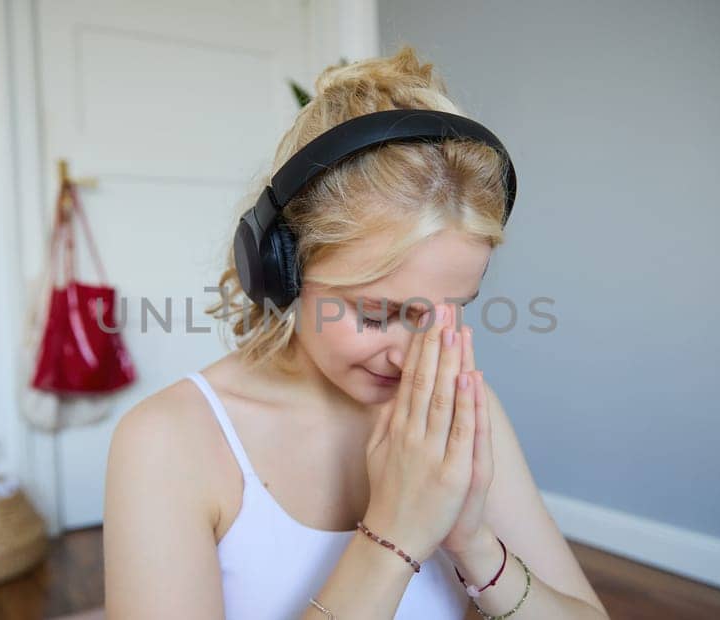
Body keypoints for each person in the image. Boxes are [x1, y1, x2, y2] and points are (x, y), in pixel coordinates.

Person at [103, 45, 609, 619]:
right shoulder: (169, 440)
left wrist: (472, 543)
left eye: (446, 312)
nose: (410, 355)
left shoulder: (461, 412)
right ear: (282, 268)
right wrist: (395, 534)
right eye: (375, 313)